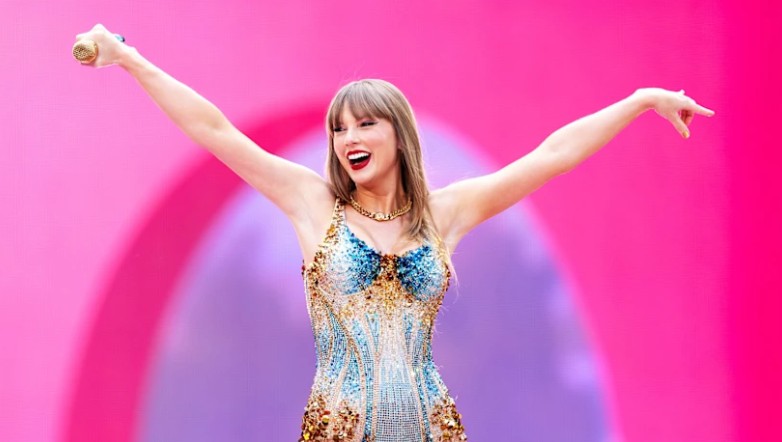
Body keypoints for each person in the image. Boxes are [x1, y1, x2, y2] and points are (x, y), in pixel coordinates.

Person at [74, 23, 714, 442]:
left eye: (364, 125)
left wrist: (640, 100)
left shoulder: (444, 214)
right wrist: (128, 58)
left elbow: (551, 156)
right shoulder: (313, 204)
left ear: (398, 136)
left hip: (430, 428)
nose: (347, 139)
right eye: (338, 128)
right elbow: (216, 130)